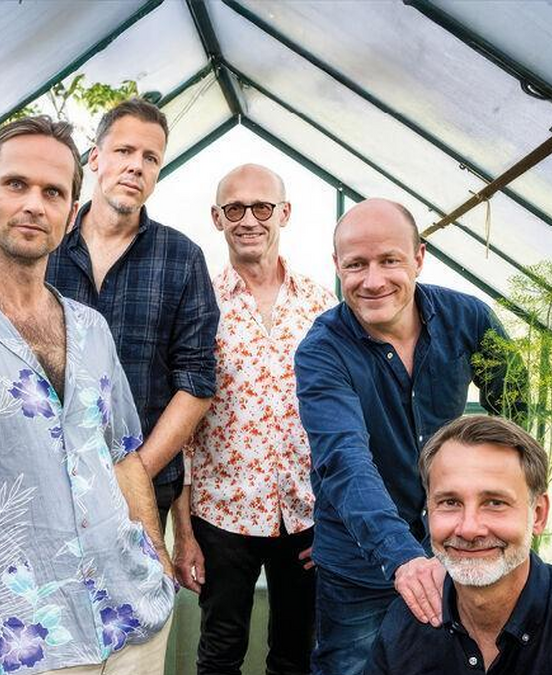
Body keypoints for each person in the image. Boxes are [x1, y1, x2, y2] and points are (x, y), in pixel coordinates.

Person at [0, 116, 175, 675]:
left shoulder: (91, 328)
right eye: (16, 184)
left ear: (71, 214)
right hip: (28, 644)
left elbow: (123, 456)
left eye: (52, 192)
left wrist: (159, 561)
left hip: (134, 619)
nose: (33, 204)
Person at [293, 198, 524, 675]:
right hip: (360, 568)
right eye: (356, 265)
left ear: (419, 257)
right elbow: (344, 459)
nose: (373, 280)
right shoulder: (322, 350)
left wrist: (493, 500)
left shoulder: (468, 320)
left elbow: (514, 410)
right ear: (336, 266)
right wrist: (400, 556)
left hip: (458, 550)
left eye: (389, 260)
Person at [173, 165, 334, 675]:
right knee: (220, 653)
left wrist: (335, 520)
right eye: (235, 208)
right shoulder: (198, 304)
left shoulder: (322, 305)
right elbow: (180, 427)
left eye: (262, 207)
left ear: (284, 213)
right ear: (216, 218)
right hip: (222, 514)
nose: (248, 220)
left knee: (297, 654)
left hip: (306, 514)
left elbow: (342, 416)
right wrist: (184, 533)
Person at [45, 98, 219, 528]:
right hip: (47, 481)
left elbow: (196, 382)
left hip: (143, 488)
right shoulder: (45, 248)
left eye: (150, 158)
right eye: (124, 151)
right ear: (95, 158)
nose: (136, 166)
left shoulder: (182, 258)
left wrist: (135, 474)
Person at [369, 414, 552, 673]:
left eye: (494, 503)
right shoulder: (409, 622)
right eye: (450, 502)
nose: (469, 529)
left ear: (538, 514)